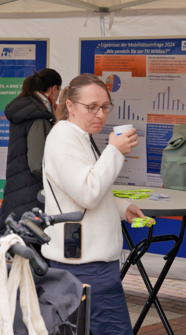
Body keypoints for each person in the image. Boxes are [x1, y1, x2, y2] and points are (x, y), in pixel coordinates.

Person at [42, 73, 143, 335]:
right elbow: (88, 192)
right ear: (70, 106)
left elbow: (84, 188)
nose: (100, 114)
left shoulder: (79, 135)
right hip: (88, 265)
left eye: (105, 106)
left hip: (88, 260)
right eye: (92, 107)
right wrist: (115, 150)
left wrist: (121, 209)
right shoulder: (64, 138)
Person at [0, 68, 61, 233]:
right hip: (32, 194)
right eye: (59, 91)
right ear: (54, 89)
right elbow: (36, 164)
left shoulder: (26, 109)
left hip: (20, 188)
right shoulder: (38, 116)